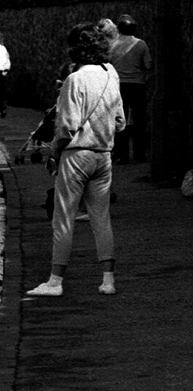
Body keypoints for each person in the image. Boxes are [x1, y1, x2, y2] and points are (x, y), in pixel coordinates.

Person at [28, 23, 125, 297]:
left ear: (75, 49)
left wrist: (53, 154)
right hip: (104, 155)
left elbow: (67, 127)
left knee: (64, 218)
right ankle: (108, 281)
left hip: (76, 155)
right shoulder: (111, 74)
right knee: (101, 218)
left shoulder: (74, 80)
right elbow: (120, 122)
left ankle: (55, 282)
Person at [108, 14, 153, 164]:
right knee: (140, 120)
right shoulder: (141, 44)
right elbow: (147, 65)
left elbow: (108, 65)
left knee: (120, 120)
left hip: (119, 86)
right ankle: (140, 154)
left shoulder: (112, 45)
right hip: (138, 85)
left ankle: (122, 154)